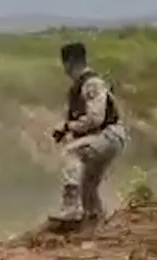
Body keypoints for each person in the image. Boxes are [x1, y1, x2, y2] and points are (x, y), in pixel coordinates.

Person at [49, 42, 127, 226]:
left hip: (109, 135)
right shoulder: (79, 86)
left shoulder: (91, 84)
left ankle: (71, 207)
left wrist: (69, 127)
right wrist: (67, 128)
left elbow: (95, 118)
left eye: (65, 64)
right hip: (105, 137)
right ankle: (97, 221)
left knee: (71, 152)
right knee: (88, 187)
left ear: (70, 62)